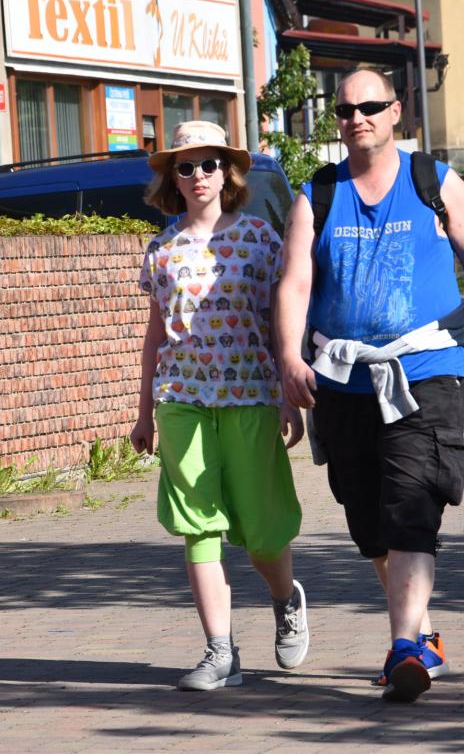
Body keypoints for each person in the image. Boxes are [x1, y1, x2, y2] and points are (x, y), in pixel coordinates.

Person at [275, 69, 464, 704]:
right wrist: (288, 362)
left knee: (413, 501)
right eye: (345, 109)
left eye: (370, 106)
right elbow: (294, 284)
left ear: (395, 112)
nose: (357, 117)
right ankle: (423, 638)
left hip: (428, 370)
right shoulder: (317, 195)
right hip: (343, 379)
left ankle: (403, 648)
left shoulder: (434, 182)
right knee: (369, 522)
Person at [130, 121, 309, 691]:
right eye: (185, 167)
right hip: (181, 399)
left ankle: (285, 598)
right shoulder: (161, 250)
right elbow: (155, 336)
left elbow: (281, 319)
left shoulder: (260, 238)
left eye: (209, 164)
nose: (198, 175)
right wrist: (143, 412)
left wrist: (288, 393)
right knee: (197, 525)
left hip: (250, 395)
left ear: (227, 173)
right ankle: (220, 652)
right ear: (172, 179)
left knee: (261, 531)